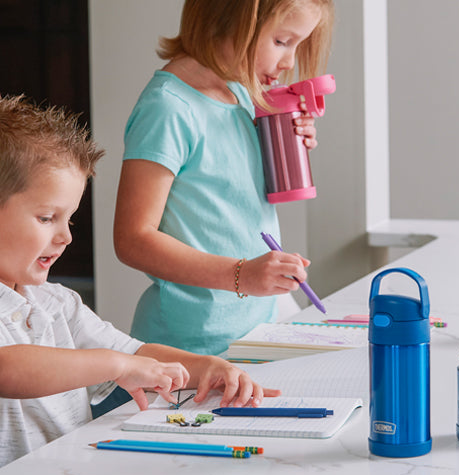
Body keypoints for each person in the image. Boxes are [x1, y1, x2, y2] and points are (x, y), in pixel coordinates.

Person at [0, 94, 281, 467]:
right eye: (47, 217)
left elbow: (136, 353)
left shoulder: (56, 303)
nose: (66, 236)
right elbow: (8, 368)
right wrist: (116, 366)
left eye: (70, 220)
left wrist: (208, 367)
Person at [113, 0, 335, 354]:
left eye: (298, 44)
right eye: (281, 41)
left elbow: (232, 196)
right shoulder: (168, 108)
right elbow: (132, 240)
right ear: (228, 19)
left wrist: (286, 141)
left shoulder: (241, 94)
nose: (290, 62)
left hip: (254, 330)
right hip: (188, 347)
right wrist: (242, 274)